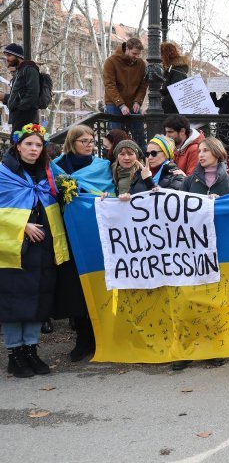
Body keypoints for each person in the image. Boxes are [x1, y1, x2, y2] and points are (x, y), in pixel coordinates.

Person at [0, 123, 69, 378]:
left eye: (38, 145)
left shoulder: (48, 174)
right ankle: (14, 354)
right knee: (13, 300)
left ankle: (31, 349)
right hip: (13, 248)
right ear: (17, 146)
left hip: (43, 247)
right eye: (28, 144)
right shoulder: (3, 173)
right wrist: (23, 225)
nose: (33, 149)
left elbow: (70, 190)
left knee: (38, 297)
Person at [172, 137, 229, 371]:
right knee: (188, 301)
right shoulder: (190, 181)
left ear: (217, 153)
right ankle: (187, 349)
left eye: (205, 150)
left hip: (219, 250)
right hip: (192, 249)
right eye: (199, 151)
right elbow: (177, 210)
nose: (200, 154)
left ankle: (215, 348)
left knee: (215, 301)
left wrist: (221, 203)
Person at [51, 124, 115, 362]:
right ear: (72, 143)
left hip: (96, 234)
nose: (89, 144)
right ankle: (83, 337)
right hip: (70, 232)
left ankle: (102, 336)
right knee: (75, 286)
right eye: (84, 141)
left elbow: (110, 193)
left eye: (91, 140)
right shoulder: (56, 167)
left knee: (99, 282)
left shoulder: (102, 166)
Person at [102, 37, 147, 146]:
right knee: (116, 136)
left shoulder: (141, 64)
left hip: (133, 103)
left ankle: (142, 158)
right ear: (127, 48)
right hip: (114, 104)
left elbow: (143, 85)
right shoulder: (111, 62)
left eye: (138, 54)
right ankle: (115, 159)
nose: (136, 57)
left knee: (139, 134)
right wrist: (121, 105)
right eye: (134, 53)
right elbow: (110, 85)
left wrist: (138, 101)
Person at [1, 43, 40, 132]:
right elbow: (20, 95)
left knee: (21, 144)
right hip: (19, 118)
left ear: (18, 56)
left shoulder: (30, 69)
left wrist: (19, 108)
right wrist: (6, 98)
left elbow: (33, 93)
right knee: (16, 144)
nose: (7, 59)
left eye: (9, 55)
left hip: (26, 118)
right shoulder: (20, 71)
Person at [159, 41, 189, 114]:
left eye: (161, 55)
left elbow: (176, 94)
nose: (160, 59)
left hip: (174, 114)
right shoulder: (171, 70)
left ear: (166, 56)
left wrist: (159, 106)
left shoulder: (177, 71)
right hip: (172, 111)